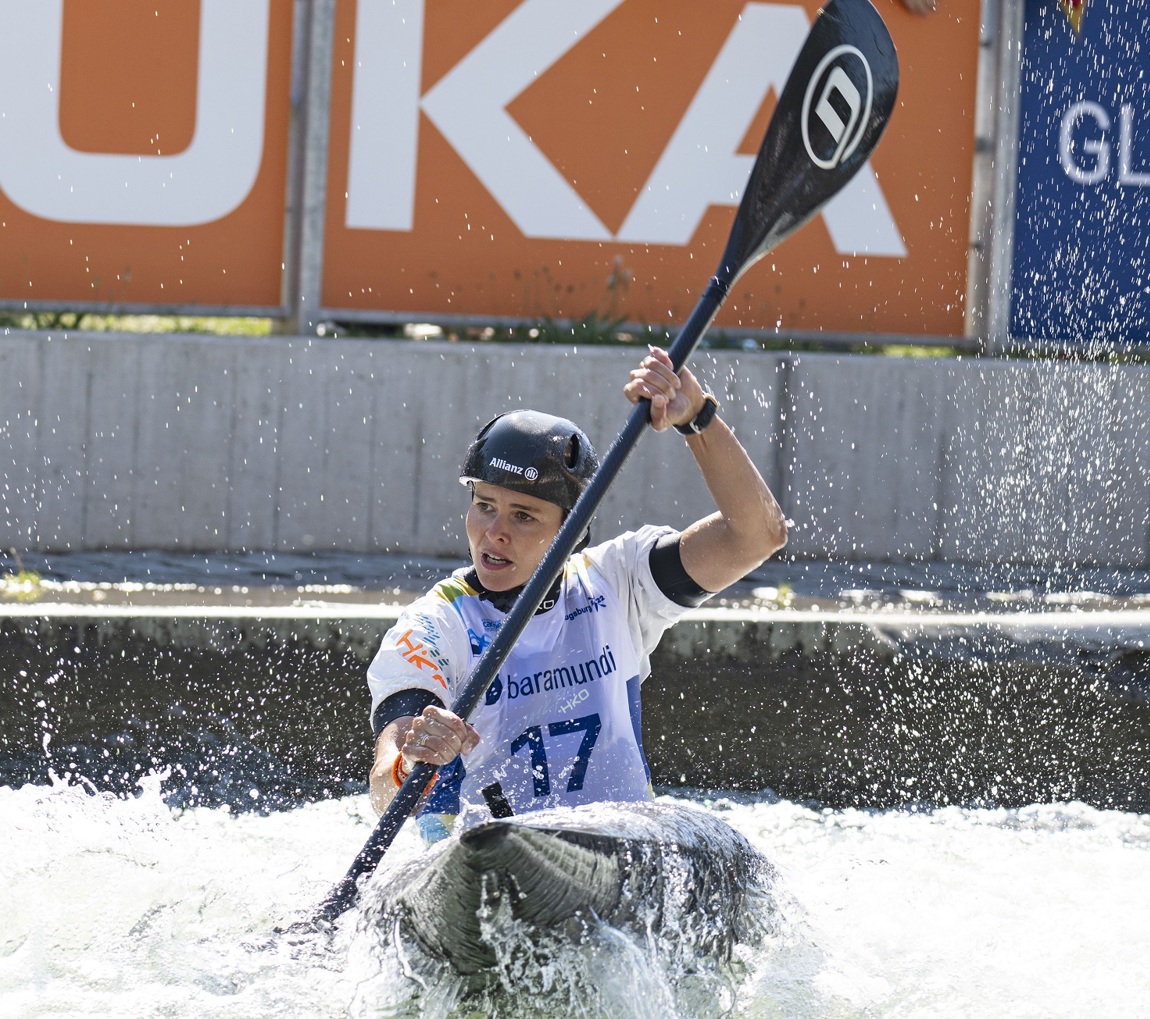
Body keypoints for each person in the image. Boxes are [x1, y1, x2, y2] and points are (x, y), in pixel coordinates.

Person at [366, 346, 788, 843]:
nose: (494, 533)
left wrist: (697, 417)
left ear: (573, 531)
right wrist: (411, 760)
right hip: (488, 853)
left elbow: (758, 535)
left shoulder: (619, 580)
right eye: (484, 505)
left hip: (620, 847)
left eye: (524, 516)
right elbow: (383, 782)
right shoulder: (434, 625)